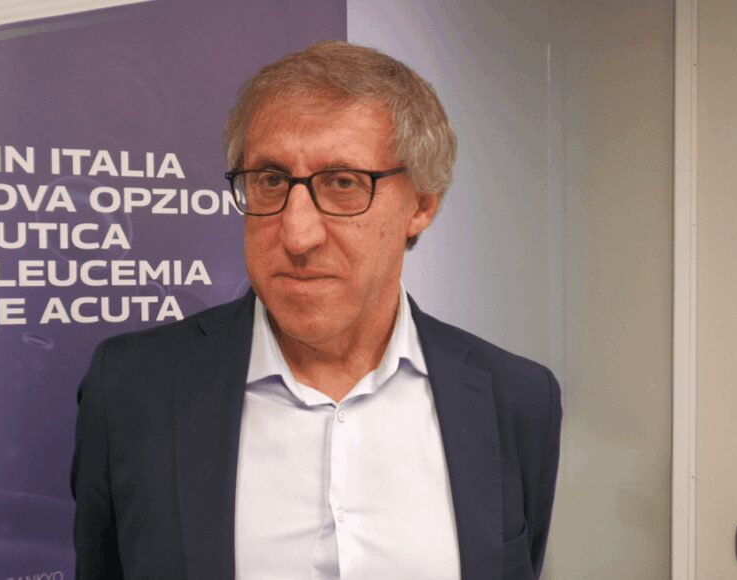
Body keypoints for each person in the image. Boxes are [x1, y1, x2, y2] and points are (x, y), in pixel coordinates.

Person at [71, 40, 561, 580]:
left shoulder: (515, 397)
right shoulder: (131, 389)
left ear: (422, 204)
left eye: (343, 183)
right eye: (271, 180)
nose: (298, 234)